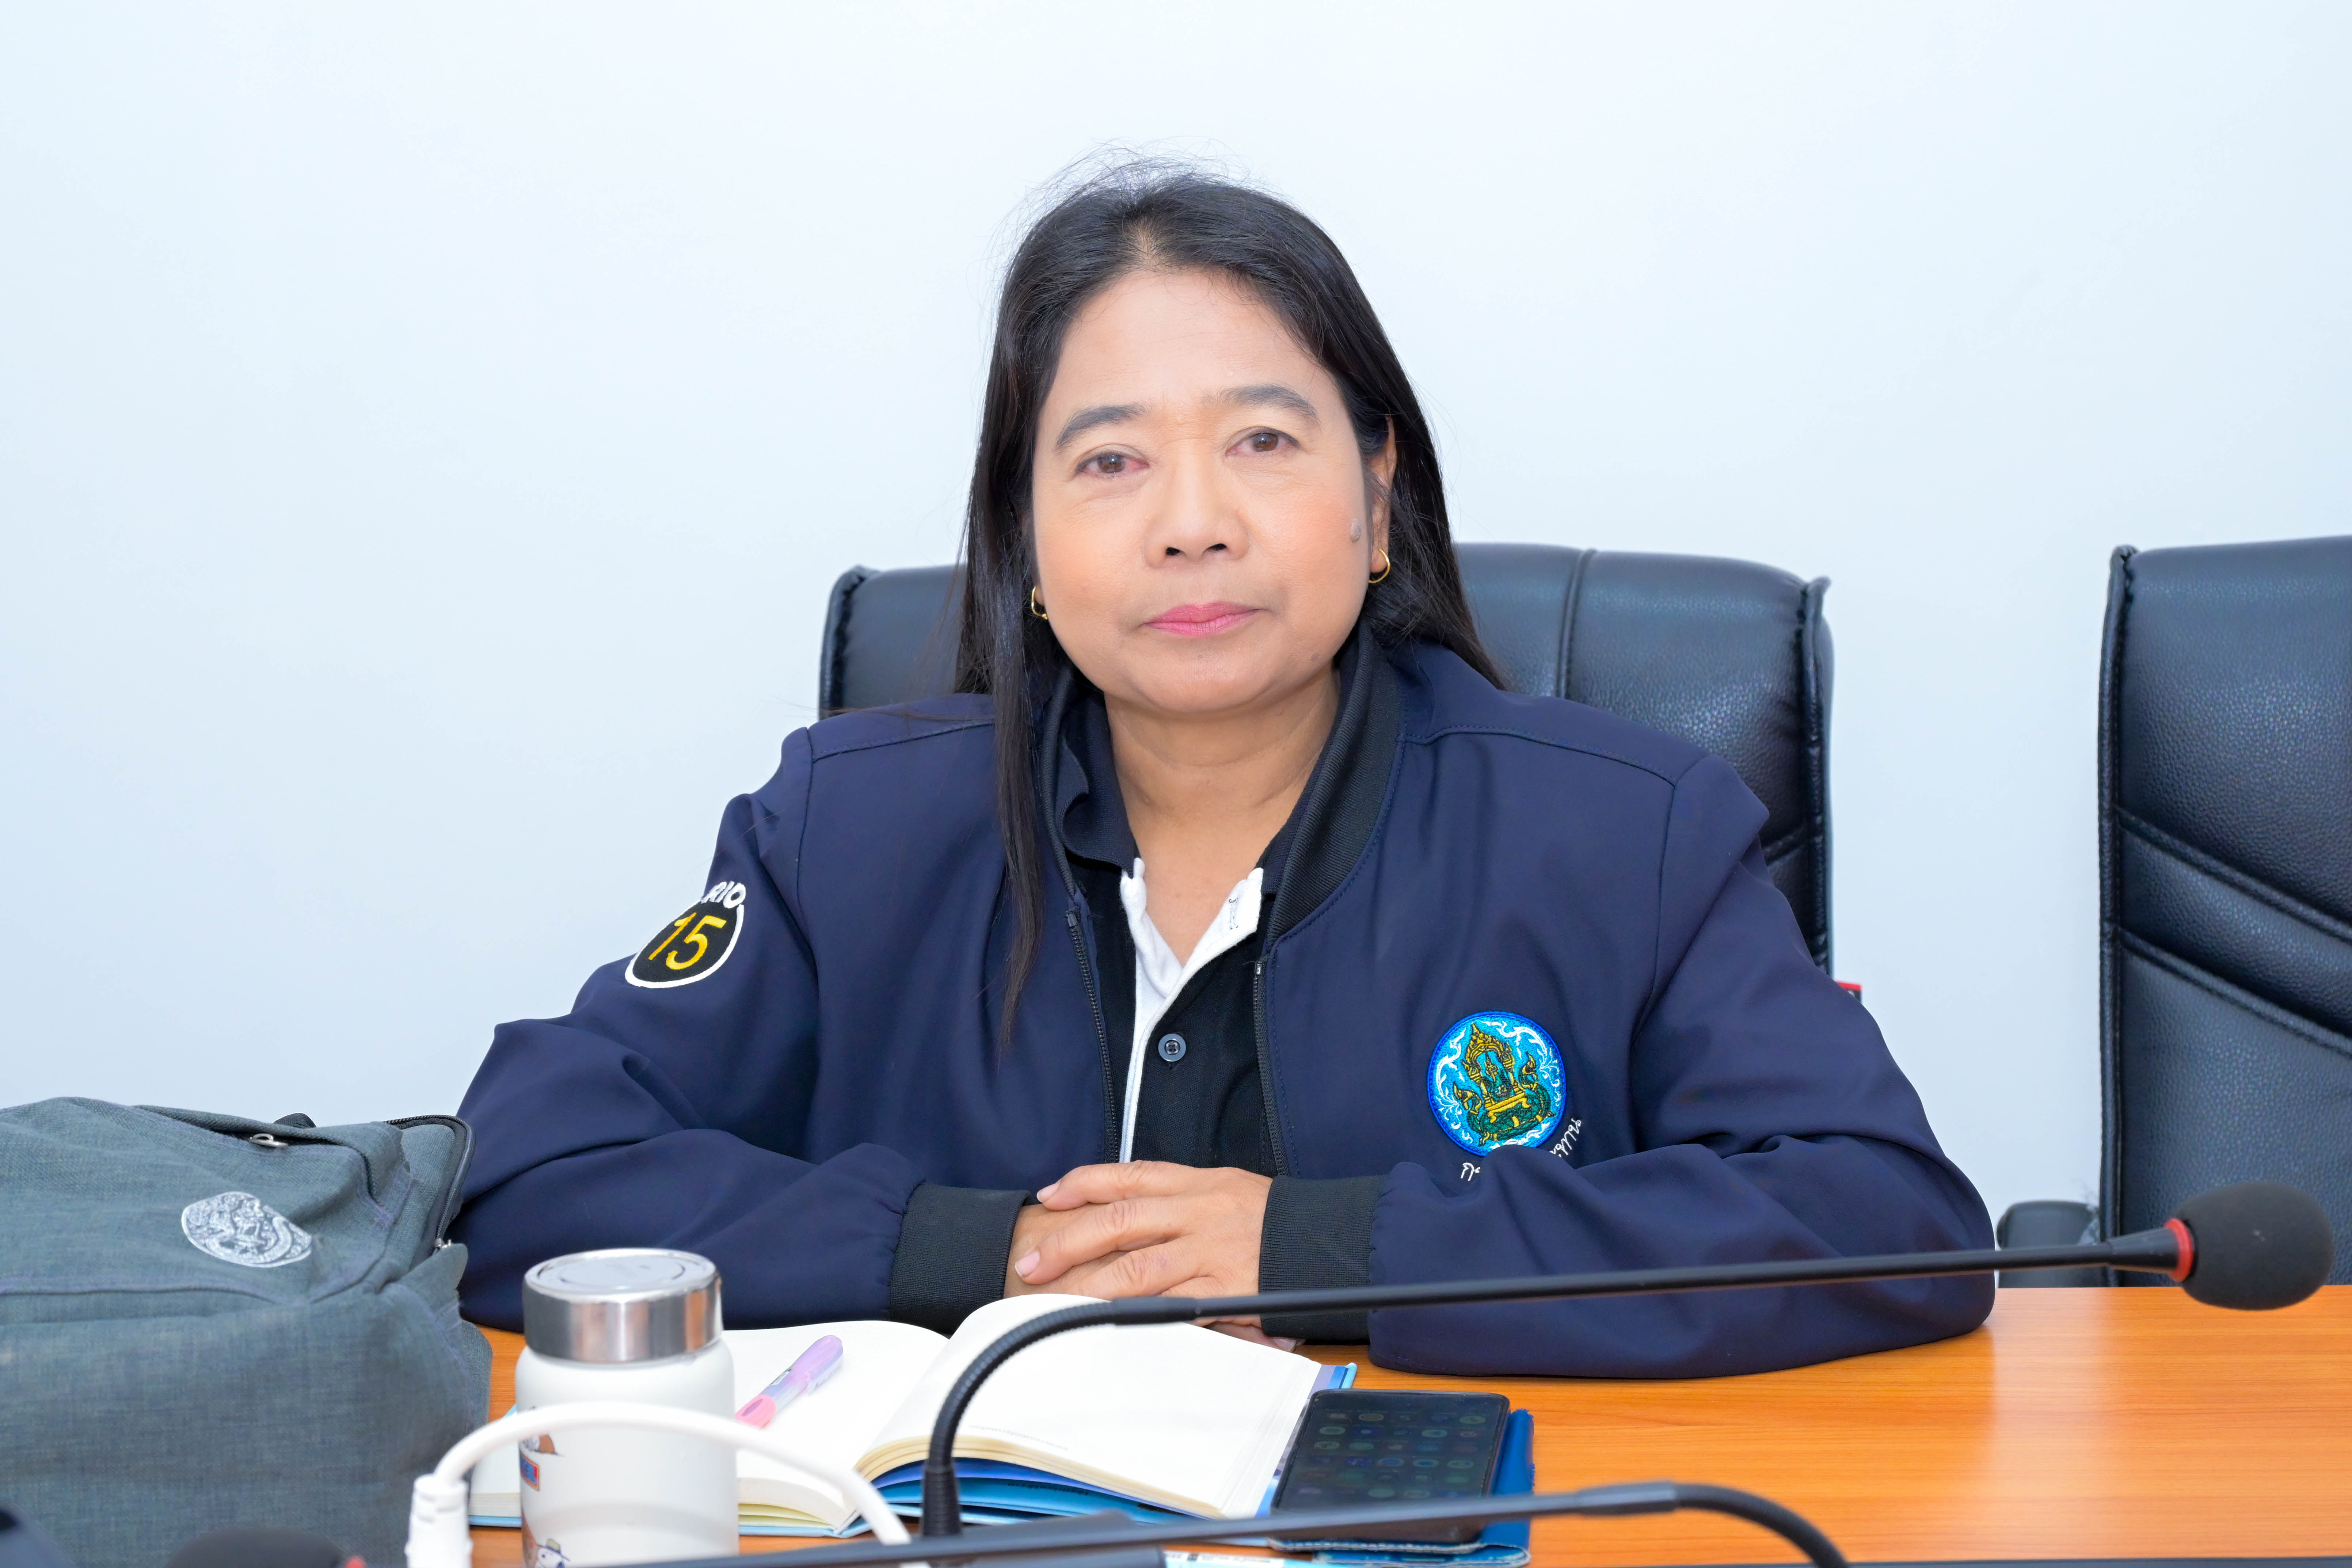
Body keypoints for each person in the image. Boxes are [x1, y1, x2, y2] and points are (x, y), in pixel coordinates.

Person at [452, 163, 1992, 1376]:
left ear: (1375, 497)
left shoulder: (1623, 834)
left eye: (1262, 441)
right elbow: (528, 1174)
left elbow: (1884, 1215)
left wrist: (1321, 1251)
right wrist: (985, 1251)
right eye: (1110, 461)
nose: (1192, 524)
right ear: (1025, 543)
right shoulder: (840, 832)